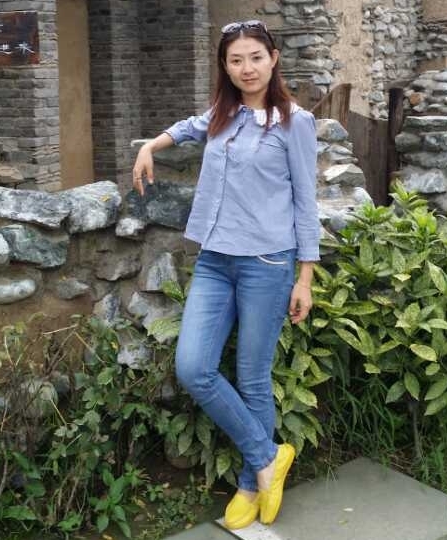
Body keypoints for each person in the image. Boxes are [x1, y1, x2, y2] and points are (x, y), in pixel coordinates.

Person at [132, 19, 319, 529]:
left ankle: (249, 484)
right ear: (225, 66)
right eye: (236, 60)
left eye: (255, 57)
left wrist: (304, 278)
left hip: (268, 263)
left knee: (253, 376)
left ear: (273, 58)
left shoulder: (295, 123)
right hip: (215, 260)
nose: (246, 68)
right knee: (194, 368)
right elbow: (189, 127)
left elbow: (307, 202)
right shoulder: (223, 113)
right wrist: (151, 146)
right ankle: (268, 457)